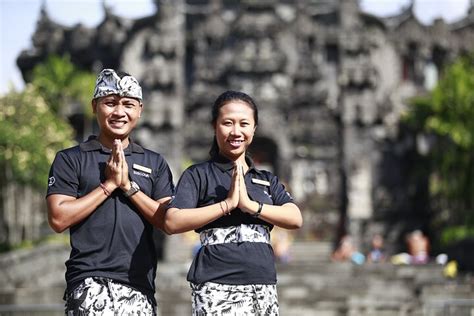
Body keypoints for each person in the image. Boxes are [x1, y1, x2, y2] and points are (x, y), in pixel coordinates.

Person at [46, 68, 174, 315]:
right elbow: (57, 219)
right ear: (95, 106)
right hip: (88, 283)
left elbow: (168, 221)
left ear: (139, 110)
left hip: (140, 285)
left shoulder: (154, 162)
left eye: (128, 104)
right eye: (110, 103)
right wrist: (109, 185)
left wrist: (127, 186)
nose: (119, 112)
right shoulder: (71, 159)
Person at [164, 90, 303, 315]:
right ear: (214, 126)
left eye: (244, 124)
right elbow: (172, 221)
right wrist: (227, 204)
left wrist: (251, 206)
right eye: (228, 123)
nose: (236, 131)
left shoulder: (265, 179)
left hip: (261, 280)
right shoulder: (198, 174)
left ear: (254, 128)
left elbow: (295, 218)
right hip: (215, 281)